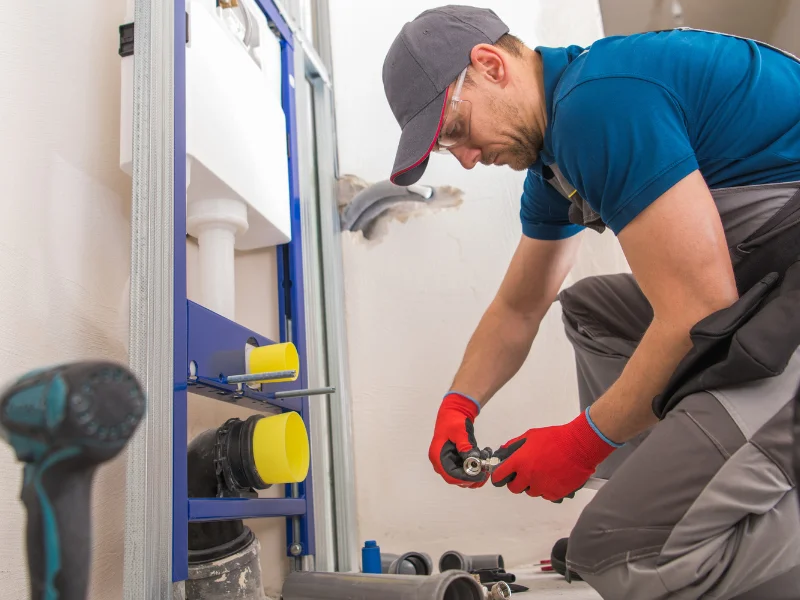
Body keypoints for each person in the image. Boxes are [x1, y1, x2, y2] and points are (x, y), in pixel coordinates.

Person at [381, 6, 800, 600]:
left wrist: (583, 442)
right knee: (593, 309)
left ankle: (680, 525)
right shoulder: (556, 158)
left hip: (783, 293)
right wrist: (459, 404)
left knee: (622, 553)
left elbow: (699, 309)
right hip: (770, 286)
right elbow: (520, 307)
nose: (467, 159)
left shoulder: (597, 103)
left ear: (491, 65)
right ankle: (669, 491)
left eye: (455, 131)